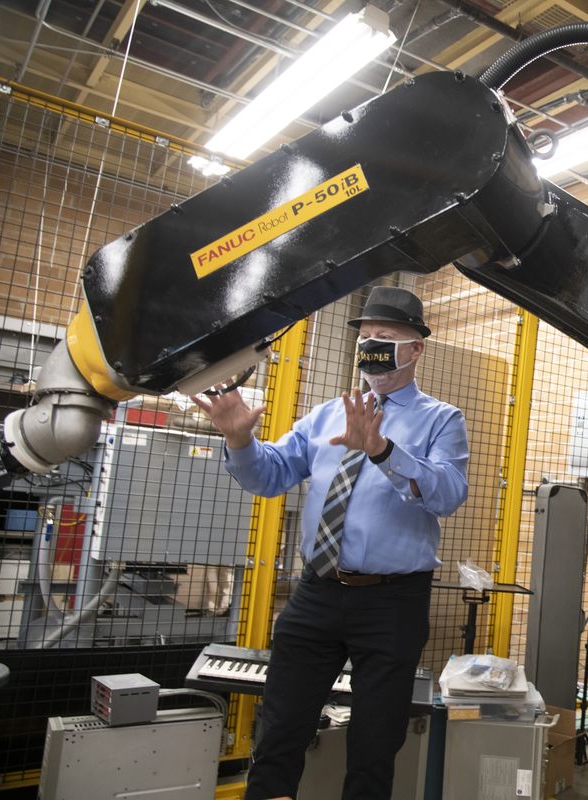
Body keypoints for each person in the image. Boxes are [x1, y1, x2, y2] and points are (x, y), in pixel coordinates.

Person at [191, 286, 469, 800]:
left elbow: (448, 494)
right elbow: (271, 476)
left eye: (385, 338)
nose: (372, 347)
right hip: (315, 593)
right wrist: (238, 441)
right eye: (365, 338)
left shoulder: (440, 420)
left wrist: (383, 450)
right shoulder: (323, 415)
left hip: (392, 601)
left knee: (374, 743)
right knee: (279, 730)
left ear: (416, 349)